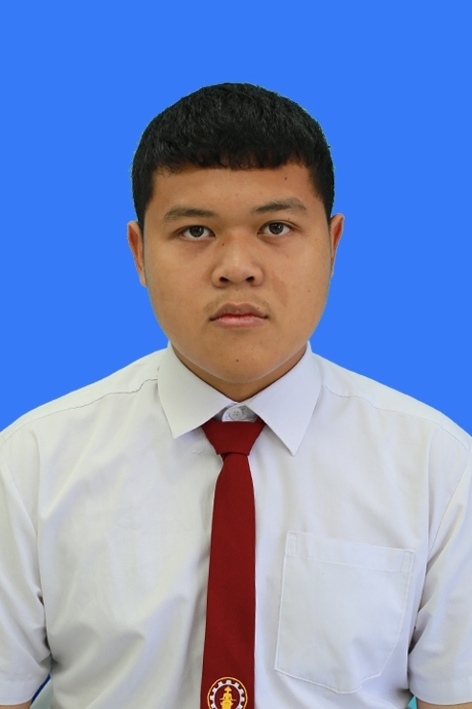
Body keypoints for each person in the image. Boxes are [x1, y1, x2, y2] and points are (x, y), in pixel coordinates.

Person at [0, 82, 471, 709]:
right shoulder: (30, 465)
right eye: (195, 230)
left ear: (332, 245)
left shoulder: (439, 468)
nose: (237, 266)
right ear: (140, 253)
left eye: (276, 227)